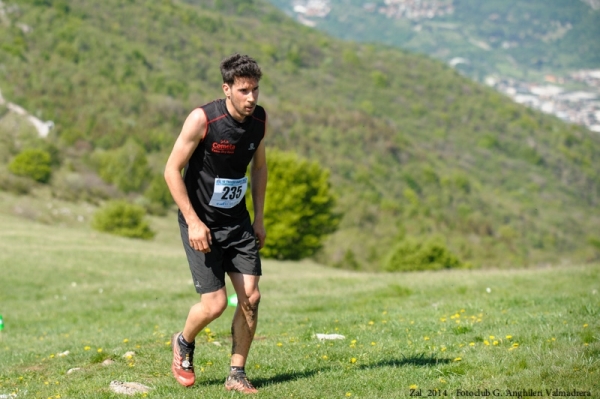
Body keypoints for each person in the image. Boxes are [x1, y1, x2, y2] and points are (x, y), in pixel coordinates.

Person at [164, 53, 268, 394]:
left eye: (255, 90)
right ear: (227, 89)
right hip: (202, 224)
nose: (251, 98)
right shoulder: (202, 120)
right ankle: (183, 341)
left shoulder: (260, 121)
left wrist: (260, 218)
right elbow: (171, 170)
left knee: (250, 297)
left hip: (237, 223)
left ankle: (236, 374)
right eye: (243, 91)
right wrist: (193, 222)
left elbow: (260, 168)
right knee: (215, 305)